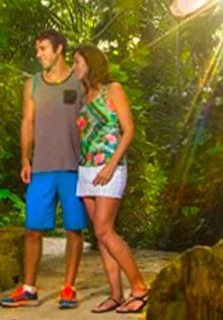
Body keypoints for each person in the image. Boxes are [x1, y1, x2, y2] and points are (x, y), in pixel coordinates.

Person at [0, 29, 88, 309]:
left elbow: (94, 118)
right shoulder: (33, 84)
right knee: (33, 229)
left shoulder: (80, 81)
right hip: (42, 168)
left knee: (74, 229)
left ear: (59, 49)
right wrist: (25, 158)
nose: (38, 55)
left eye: (43, 49)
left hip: (75, 168)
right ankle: (28, 289)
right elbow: (27, 122)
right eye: (37, 49)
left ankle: (69, 288)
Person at [71, 44, 149, 314]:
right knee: (100, 235)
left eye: (78, 62)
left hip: (110, 167)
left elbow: (128, 131)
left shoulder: (112, 89)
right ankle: (116, 294)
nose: (74, 67)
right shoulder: (82, 96)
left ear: (91, 64)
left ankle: (139, 288)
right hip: (86, 170)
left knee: (105, 229)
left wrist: (111, 165)